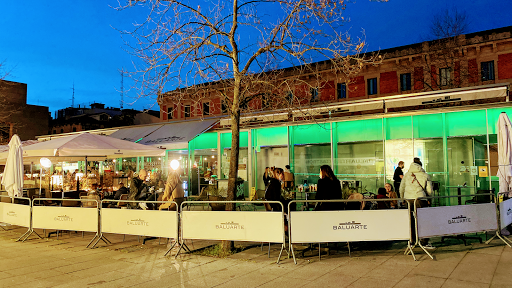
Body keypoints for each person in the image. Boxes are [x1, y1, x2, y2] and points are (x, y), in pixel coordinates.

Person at [399, 162, 434, 248]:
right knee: (423, 220)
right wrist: (429, 198)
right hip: (420, 199)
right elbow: (429, 190)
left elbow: (401, 188)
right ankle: (424, 241)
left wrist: (402, 198)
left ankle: (412, 241)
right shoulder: (425, 175)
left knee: (411, 220)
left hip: (409, 200)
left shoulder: (407, 175)